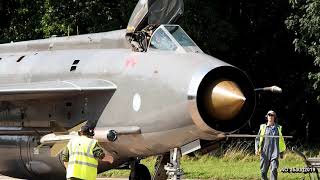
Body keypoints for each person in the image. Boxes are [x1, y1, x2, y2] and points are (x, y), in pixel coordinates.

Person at [255, 110, 286, 180]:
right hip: (264, 153)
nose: (270, 116)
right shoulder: (263, 127)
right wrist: (257, 149)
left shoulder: (278, 128)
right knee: (263, 172)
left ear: (274, 117)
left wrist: (281, 152)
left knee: (274, 169)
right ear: (267, 116)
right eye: (269, 115)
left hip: (275, 153)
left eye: (272, 115)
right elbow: (257, 139)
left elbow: (281, 141)